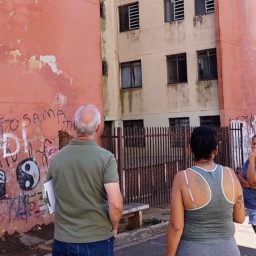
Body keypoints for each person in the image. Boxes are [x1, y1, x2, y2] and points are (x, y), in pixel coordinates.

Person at [46, 104, 123, 256]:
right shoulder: (106, 159)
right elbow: (115, 204)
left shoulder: (56, 159)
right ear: (98, 127)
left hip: (63, 241)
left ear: (74, 125)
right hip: (97, 239)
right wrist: (114, 227)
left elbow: (49, 199)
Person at [166, 126, 245, 256]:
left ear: (190, 148)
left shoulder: (182, 178)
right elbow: (240, 218)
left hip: (193, 250)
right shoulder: (231, 175)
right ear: (216, 151)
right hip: (229, 250)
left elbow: (176, 226)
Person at [237, 135, 256, 233]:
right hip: (251, 205)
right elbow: (240, 176)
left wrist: (252, 160)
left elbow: (253, 182)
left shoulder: (251, 160)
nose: (254, 147)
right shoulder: (250, 160)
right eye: (253, 144)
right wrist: (250, 184)